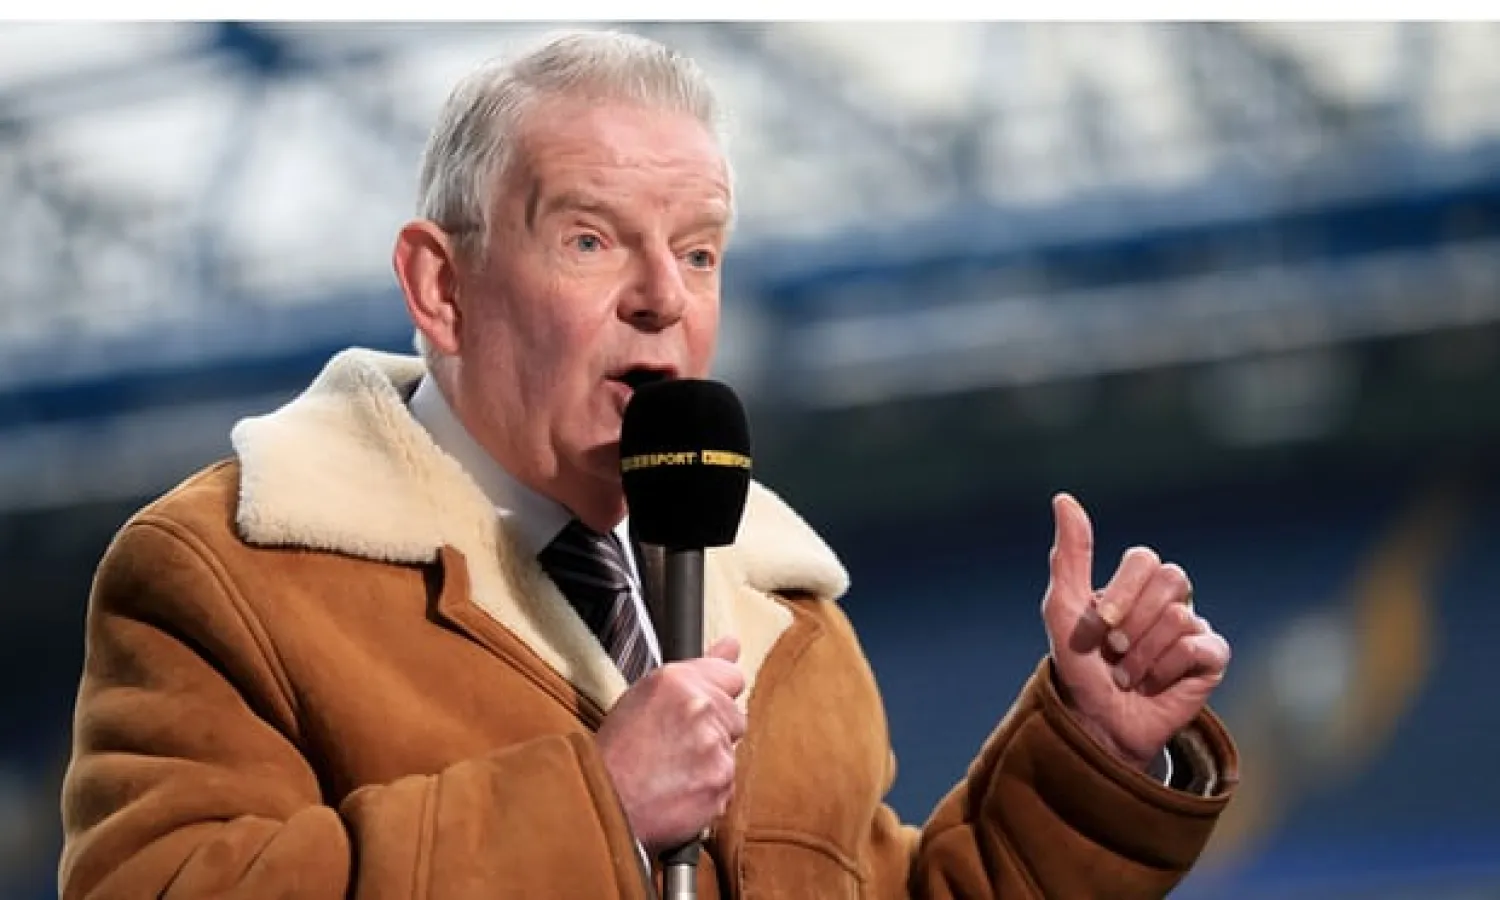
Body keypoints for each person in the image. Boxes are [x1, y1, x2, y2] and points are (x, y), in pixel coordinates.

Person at [57, 29, 1238, 899]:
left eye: (700, 250)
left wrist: (1092, 757)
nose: (663, 298)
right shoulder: (229, 576)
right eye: (590, 239)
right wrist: (595, 810)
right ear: (441, 287)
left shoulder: (789, 622)